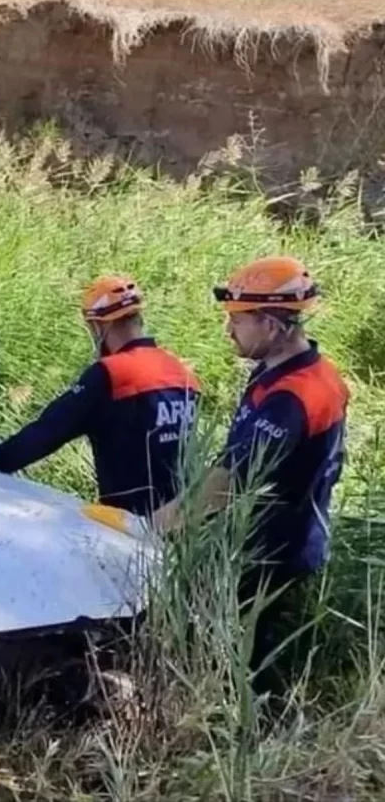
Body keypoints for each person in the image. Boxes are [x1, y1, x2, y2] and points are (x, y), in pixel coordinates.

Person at [153, 256, 348, 699]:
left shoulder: (296, 395)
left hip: (276, 548)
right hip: (269, 538)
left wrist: (157, 525)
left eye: (238, 321)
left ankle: (254, 739)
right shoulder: (284, 371)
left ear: (274, 324)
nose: (229, 331)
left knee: (247, 662)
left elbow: (232, 477)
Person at [0, 275, 200, 519]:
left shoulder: (111, 374)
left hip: (128, 526)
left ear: (98, 326)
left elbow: (46, 433)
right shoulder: (182, 371)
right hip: (184, 520)